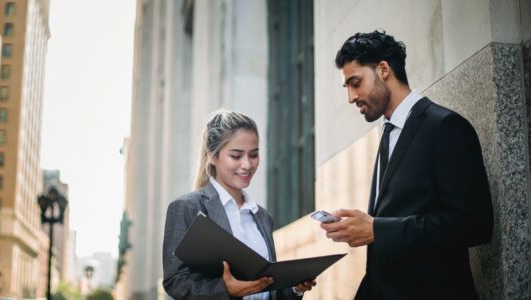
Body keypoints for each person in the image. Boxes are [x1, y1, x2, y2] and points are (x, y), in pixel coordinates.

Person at [319, 30, 494, 299]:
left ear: (383, 69)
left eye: (355, 83)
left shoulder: (444, 127)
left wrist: (377, 229)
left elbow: (474, 224)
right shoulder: (389, 133)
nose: (351, 97)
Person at [163, 110, 316, 299]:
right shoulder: (187, 207)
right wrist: (226, 290)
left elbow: (267, 288)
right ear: (212, 155)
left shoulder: (263, 217)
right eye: (236, 156)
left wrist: (294, 288)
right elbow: (175, 281)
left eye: (254, 154)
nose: (247, 164)